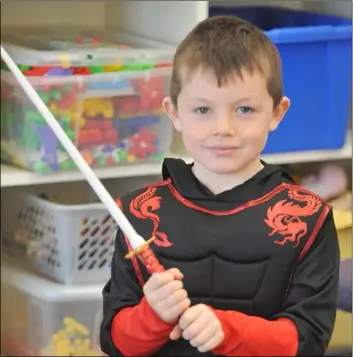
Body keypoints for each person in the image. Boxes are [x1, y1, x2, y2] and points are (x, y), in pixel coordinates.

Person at [100, 14, 340, 357]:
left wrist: (230, 331)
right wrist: (151, 317)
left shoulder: (308, 218)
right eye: (202, 109)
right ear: (174, 113)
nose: (223, 128)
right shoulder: (138, 214)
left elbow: (308, 340)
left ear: (276, 112)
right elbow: (115, 341)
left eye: (244, 109)